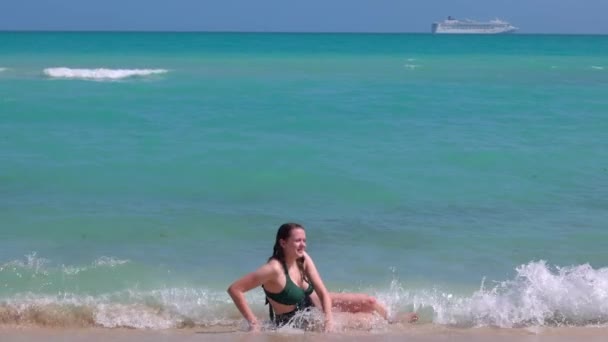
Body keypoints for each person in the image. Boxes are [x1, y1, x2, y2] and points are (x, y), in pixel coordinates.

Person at [227, 222, 418, 332]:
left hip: (314, 304)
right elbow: (235, 289)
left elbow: (324, 293)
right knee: (368, 320)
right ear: (283, 242)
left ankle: (392, 319)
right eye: (297, 240)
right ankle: (393, 325)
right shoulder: (273, 269)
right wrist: (253, 322)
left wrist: (328, 320)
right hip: (296, 320)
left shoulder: (303, 259)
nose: (303, 244)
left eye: (304, 240)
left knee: (370, 301)